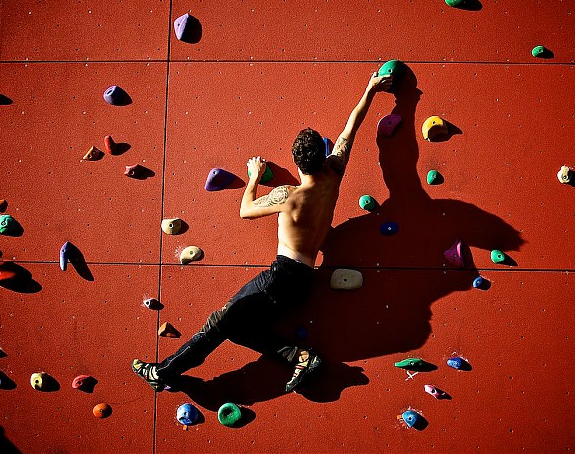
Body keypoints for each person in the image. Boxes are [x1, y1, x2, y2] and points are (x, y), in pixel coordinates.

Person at [132, 71, 393, 393]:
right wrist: (371, 88)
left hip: (281, 277)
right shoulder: (334, 173)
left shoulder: (288, 196)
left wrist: (253, 176)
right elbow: (350, 127)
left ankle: (164, 373)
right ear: (323, 157)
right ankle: (299, 357)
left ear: (298, 164)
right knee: (239, 328)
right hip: (303, 283)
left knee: (218, 322)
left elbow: (245, 211)